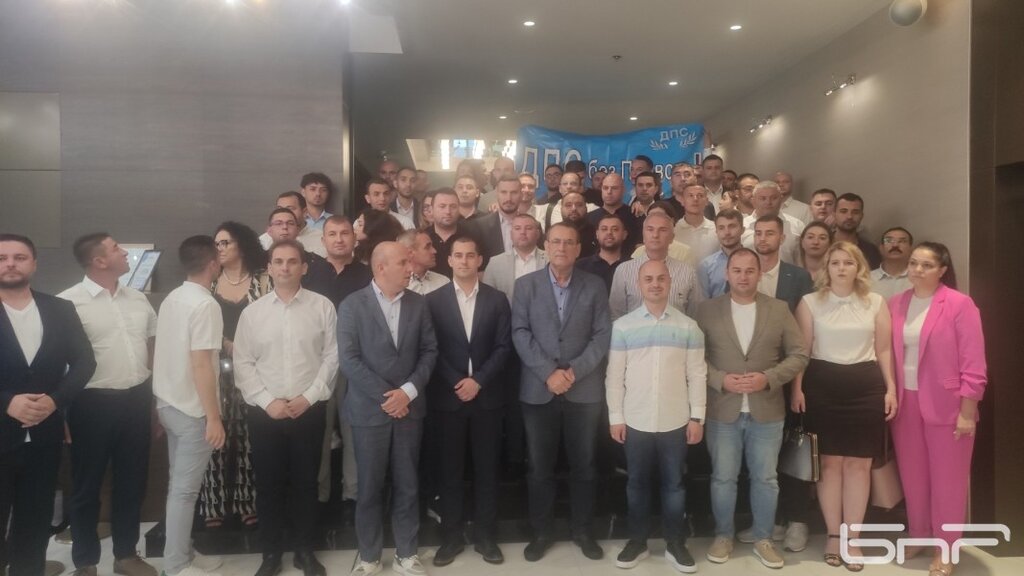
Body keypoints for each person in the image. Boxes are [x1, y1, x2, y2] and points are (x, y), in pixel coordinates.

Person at [694, 248, 808, 570]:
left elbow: (799, 354)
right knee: (723, 478)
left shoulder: (778, 309)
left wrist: (768, 378)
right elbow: (695, 357)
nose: (743, 277)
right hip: (723, 409)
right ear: (727, 273)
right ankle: (723, 535)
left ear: (759, 274)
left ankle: (763, 538)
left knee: (766, 479)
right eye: (737, 270)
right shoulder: (707, 310)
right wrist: (720, 380)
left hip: (767, 411)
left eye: (749, 271)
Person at [233, 240, 339, 576]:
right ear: (269, 267)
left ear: (304, 267)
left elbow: (332, 357)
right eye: (278, 261)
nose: (285, 267)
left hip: (309, 409)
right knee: (269, 484)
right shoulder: (253, 313)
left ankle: (305, 551)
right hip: (266, 412)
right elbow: (243, 363)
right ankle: (271, 554)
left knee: (307, 483)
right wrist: (268, 402)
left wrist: (309, 397)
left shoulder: (323, 307)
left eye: (292, 261)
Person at [790, 241, 897, 571]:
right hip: (822, 385)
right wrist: (797, 388)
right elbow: (802, 351)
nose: (841, 268)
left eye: (848, 263)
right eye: (835, 262)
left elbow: (884, 350)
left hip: (865, 386)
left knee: (859, 466)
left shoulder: (875, 302)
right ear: (827, 268)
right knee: (829, 465)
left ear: (858, 267)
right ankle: (834, 537)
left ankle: (854, 539)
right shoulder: (810, 302)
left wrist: (891, 388)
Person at [58, 233, 157, 576]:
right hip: (89, 404)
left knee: (133, 482)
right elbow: (56, 362)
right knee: (86, 486)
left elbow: (151, 347)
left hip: (136, 400)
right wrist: (61, 411)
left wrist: (154, 401)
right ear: (99, 261)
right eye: (116, 248)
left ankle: (126, 555)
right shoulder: (67, 303)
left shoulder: (138, 299)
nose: (125, 252)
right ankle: (86, 562)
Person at [512, 223, 612, 562]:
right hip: (538, 389)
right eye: (556, 241)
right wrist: (548, 373)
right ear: (546, 246)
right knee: (539, 466)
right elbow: (520, 332)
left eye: (569, 242)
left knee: (584, 465)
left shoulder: (594, 285)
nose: (562, 247)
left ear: (579, 248)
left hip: (583, 390)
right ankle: (541, 532)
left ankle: (583, 531)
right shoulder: (525, 285)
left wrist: (573, 371)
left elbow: (602, 335)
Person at [339, 242, 438, 576]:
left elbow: (429, 351)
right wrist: (388, 397)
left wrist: (407, 393)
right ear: (381, 267)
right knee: (369, 487)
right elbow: (349, 359)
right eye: (403, 262)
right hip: (369, 411)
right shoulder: (353, 305)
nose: (410, 268)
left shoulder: (418, 303)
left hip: (410, 409)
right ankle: (369, 556)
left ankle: (406, 553)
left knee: (408, 484)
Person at [0, 234, 95, 576]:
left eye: (20, 257)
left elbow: (85, 362)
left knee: (35, 525)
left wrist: (55, 401)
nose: (10, 264)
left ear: (34, 264)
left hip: (44, 438)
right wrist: (7, 402)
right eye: (2, 258)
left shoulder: (59, 309)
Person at [888, 243, 985, 576]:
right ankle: (918, 534)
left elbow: (974, 363)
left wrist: (967, 411)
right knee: (913, 477)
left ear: (942, 270)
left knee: (948, 482)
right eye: (913, 263)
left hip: (948, 405)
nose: (917, 270)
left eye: (926, 265)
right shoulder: (896, 303)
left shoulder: (959, 304)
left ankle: (946, 548)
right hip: (906, 401)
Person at [606, 259, 706, 573]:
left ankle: (675, 543)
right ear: (639, 284)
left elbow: (697, 375)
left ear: (670, 283)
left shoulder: (688, 327)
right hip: (635, 420)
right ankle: (637, 541)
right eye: (648, 279)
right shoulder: (623, 327)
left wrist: (697, 417)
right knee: (636, 483)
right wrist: (615, 417)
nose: (655, 284)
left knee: (674, 485)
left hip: (676, 421)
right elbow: (614, 376)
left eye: (661, 278)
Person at [425, 237, 513, 566]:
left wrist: (478, 381)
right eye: (458, 255)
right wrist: (457, 381)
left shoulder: (497, 299)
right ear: (448, 260)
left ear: (480, 261)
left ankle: (486, 537)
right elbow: (430, 348)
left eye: (470, 255)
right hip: (448, 399)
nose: (464, 261)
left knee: (487, 471)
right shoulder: (432, 301)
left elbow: (504, 347)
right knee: (449, 472)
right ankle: (450, 538)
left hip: (487, 397)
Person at [739, 217, 815, 553]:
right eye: (758, 233)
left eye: (770, 233)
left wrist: (797, 383)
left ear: (782, 238)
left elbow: (804, 334)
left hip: (788, 375)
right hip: (750, 379)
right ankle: (770, 521)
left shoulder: (798, 277)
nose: (763, 238)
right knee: (762, 457)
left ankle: (797, 519)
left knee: (793, 449)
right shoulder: (744, 273)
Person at [153, 236, 227, 576]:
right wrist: (213, 417)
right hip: (193, 410)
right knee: (184, 492)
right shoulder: (205, 304)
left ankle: (182, 551)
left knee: (177, 487)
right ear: (213, 264)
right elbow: (201, 364)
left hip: (168, 404)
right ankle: (176, 565)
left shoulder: (173, 297)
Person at [314, 216, 372, 515]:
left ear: (354, 237)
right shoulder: (309, 272)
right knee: (319, 431)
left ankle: (353, 494)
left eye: (345, 233)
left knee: (354, 430)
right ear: (322, 239)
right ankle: (319, 495)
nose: (339, 239)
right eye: (332, 234)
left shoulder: (367, 274)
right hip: (316, 364)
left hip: (356, 363)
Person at [610, 212, 702, 320]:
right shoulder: (624, 271)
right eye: (650, 229)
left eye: (662, 230)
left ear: (672, 237)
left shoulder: (687, 273)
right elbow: (616, 315)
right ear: (643, 236)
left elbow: (695, 315)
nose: (655, 235)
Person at [483, 213, 547, 303]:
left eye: (528, 228)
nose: (523, 232)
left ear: (537, 234)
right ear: (511, 234)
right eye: (517, 228)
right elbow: (487, 298)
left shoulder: (550, 260)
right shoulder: (495, 263)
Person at [741, 181, 805, 264]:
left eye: (774, 198)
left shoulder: (797, 225)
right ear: (753, 201)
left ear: (781, 199)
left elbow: (803, 260)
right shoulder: (742, 226)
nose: (768, 202)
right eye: (763, 198)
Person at [258, 192, 326, 257]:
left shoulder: (321, 238)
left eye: (290, 209)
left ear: (304, 212)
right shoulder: (263, 241)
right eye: (280, 209)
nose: (284, 212)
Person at [576, 213, 630, 293]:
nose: (609, 232)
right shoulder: (580, 266)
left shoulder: (633, 266)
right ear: (597, 234)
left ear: (624, 235)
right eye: (604, 229)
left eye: (615, 229)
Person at [587, 173, 639, 255]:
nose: (609, 192)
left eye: (614, 188)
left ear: (623, 190)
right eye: (605, 188)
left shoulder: (634, 215)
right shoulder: (589, 218)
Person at [470, 175, 521, 259]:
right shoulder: (480, 227)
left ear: (521, 194)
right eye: (504, 192)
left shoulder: (533, 226)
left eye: (514, 192)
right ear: (496, 194)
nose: (508, 198)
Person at [698, 209, 745, 298]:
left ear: (742, 230)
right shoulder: (706, 266)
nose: (727, 232)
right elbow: (703, 301)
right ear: (716, 232)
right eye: (721, 228)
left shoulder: (755, 262)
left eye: (732, 226)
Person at [673, 184, 720, 266]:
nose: (695, 199)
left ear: (707, 201)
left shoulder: (717, 229)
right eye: (690, 195)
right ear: (682, 201)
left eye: (700, 195)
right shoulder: (674, 229)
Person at [833, 193, 882, 269]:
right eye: (843, 211)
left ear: (861, 216)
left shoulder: (871, 251)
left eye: (855, 212)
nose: (849, 216)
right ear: (834, 214)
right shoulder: (821, 245)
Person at [397, 230, 451, 295]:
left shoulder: (443, 282)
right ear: (410, 253)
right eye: (427, 247)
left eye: (432, 246)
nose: (434, 251)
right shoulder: (396, 285)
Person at [870, 227, 914, 300]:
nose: (895, 245)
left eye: (902, 241)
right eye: (889, 241)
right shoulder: (866, 279)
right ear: (881, 248)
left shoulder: (919, 278)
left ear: (911, 249)